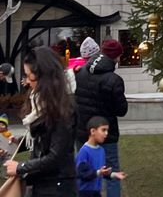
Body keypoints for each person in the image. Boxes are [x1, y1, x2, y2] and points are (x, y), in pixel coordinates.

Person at [2, 46, 76, 196]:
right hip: (43, 183)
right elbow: (42, 139)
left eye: (30, 77)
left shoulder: (63, 108)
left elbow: (56, 155)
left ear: (44, 76)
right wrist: (19, 142)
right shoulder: (41, 102)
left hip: (57, 186)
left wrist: (20, 166)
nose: (27, 82)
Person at [75, 39, 128, 197]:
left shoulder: (81, 73)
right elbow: (121, 110)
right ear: (115, 57)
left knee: (84, 171)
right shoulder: (114, 80)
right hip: (106, 134)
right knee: (112, 174)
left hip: (83, 132)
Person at [76, 116, 126, 197]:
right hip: (84, 192)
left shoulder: (101, 150)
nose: (106, 133)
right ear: (92, 131)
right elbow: (82, 173)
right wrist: (99, 172)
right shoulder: (84, 152)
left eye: (107, 130)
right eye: (103, 130)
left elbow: (102, 171)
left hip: (96, 192)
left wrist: (113, 174)